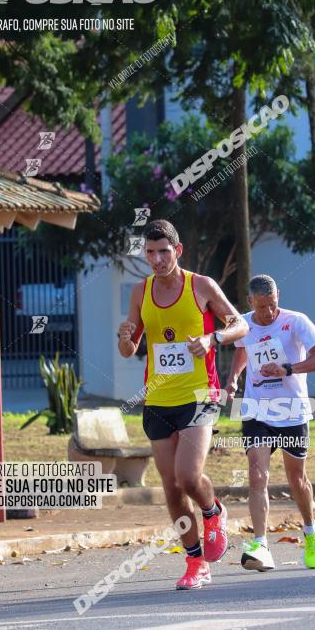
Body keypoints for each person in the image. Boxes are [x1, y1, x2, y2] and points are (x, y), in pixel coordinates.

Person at [118, 219, 249, 590]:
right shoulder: (140, 292)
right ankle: (195, 562)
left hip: (199, 395)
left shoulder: (201, 285)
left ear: (178, 251)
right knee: (172, 489)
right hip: (157, 399)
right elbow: (130, 348)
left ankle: (213, 511)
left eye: (164, 251)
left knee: (188, 476)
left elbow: (241, 325)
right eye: (150, 253)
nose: (157, 259)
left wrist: (213, 339)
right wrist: (125, 338)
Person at [225, 274, 315, 572]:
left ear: (277, 297)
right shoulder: (242, 323)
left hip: (291, 411)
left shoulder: (296, 321)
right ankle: (261, 544)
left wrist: (288, 368)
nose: (268, 313)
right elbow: (243, 350)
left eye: (272, 305)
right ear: (249, 302)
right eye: (261, 307)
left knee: (296, 479)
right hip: (257, 410)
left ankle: (310, 532)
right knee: (257, 476)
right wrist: (233, 379)